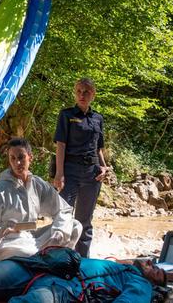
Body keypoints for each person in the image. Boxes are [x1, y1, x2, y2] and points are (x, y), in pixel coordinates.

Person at [0, 247, 169, 303]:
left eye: (157, 270)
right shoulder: (116, 263)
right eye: (152, 262)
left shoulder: (139, 283)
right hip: (37, 266)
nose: (152, 265)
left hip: (66, 289)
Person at [0, 137, 82, 263]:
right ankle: (44, 258)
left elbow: (64, 210)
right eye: (12, 158)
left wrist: (59, 232)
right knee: (28, 253)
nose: (17, 163)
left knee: (75, 226)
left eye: (21, 157)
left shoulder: (37, 184)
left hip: (31, 239)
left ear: (30, 157)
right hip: (7, 244)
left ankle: (49, 258)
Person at [52, 78, 109, 258]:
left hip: (92, 174)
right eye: (78, 91)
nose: (82, 95)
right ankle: (60, 259)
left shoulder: (98, 118)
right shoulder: (66, 115)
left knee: (84, 220)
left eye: (86, 92)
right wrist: (59, 174)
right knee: (63, 217)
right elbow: (60, 144)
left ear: (93, 94)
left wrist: (104, 167)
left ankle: (83, 261)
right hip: (69, 171)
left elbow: (98, 147)